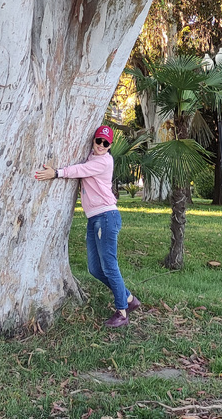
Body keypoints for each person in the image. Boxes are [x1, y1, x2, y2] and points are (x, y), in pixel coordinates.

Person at [34, 124, 141, 328]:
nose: (101, 145)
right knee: (94, 268)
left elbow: (80, 170)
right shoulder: (92, 155)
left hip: (106, 216)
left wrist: (56, 173)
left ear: (110, 146)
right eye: (98, 140)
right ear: (93, 140)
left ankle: (122, 312)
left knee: (109, 266)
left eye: (106, 143)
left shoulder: (104, 161)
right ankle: (128, 299)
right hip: (95, 218)